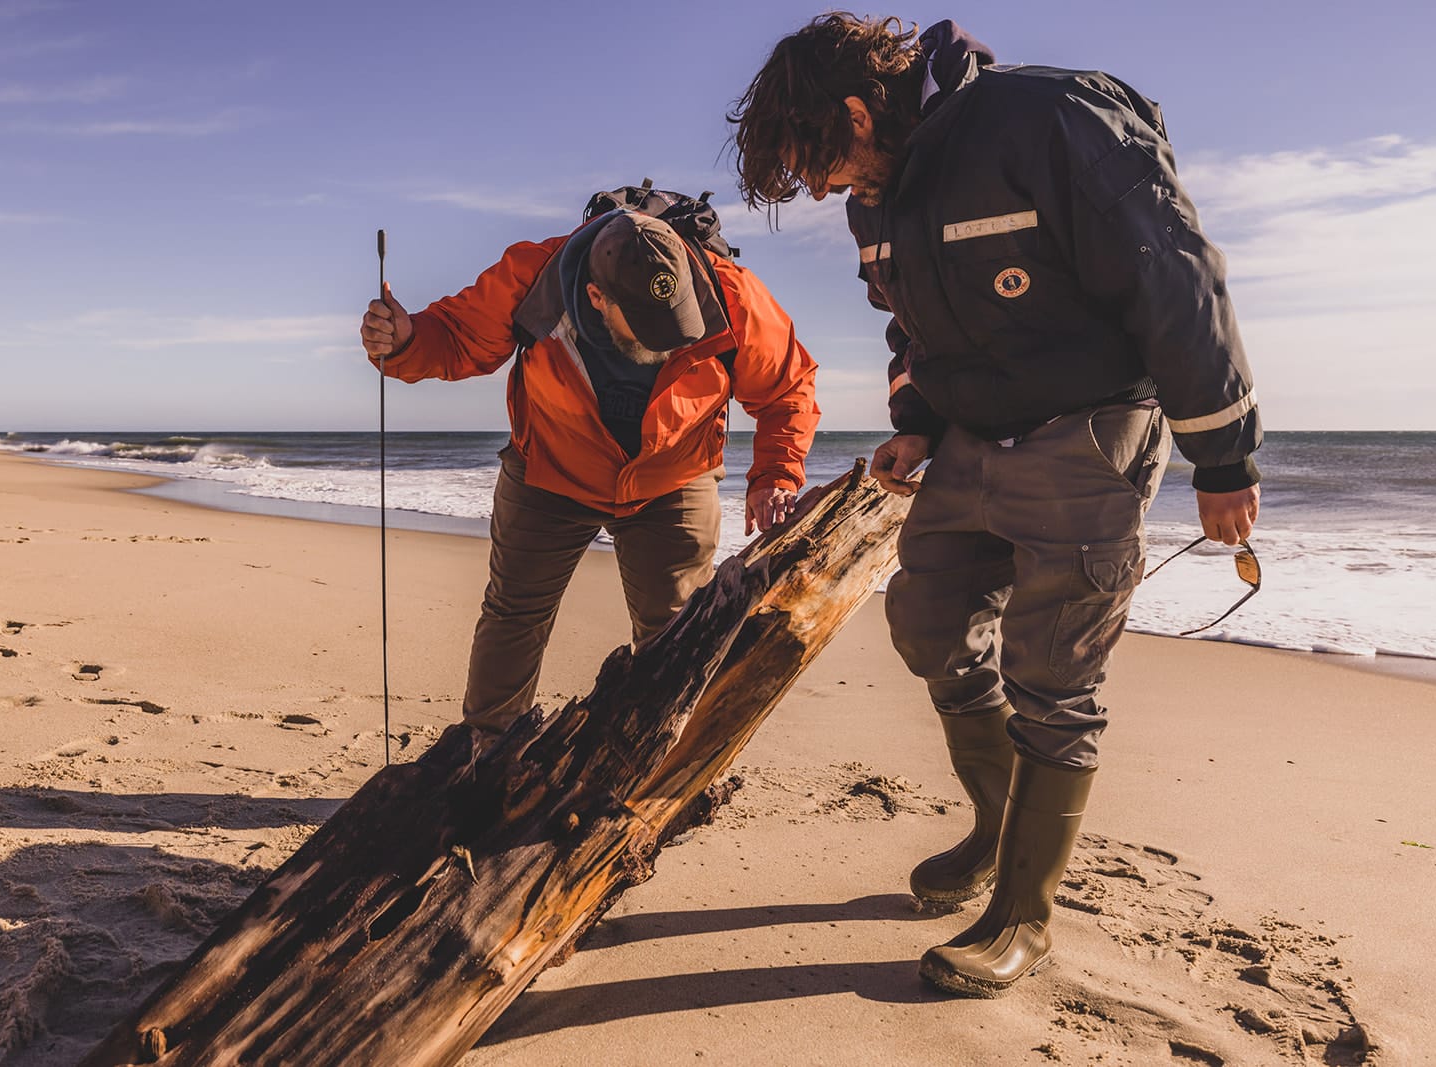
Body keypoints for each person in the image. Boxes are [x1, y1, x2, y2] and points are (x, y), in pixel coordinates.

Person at [729, 14, 1262, 996]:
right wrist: (920, 420)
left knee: (1052, 671)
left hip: (1089, 428)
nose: (820, 191)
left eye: (819, 164)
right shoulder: (875, 199)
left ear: (857, 110)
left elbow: (1173, 272)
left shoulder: (1048, 118)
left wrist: (1221, 455)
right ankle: (992, 832)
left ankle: (1023, 918)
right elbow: (912, 323)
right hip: (974, 434)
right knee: (927, 624)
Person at [360, 207, 820, 738]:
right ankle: (483, 758)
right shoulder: (535, 276)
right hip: (551, 467)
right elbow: (458, 338)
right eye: (648, 327)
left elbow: (788, 388)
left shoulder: (731, 293)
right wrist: (406, 339)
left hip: (672, 476)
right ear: (598, 298)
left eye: (676, 323)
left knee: (676, 633)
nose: (667, 339)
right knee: (514, 615)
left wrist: (776, 476)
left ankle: (654, 762)